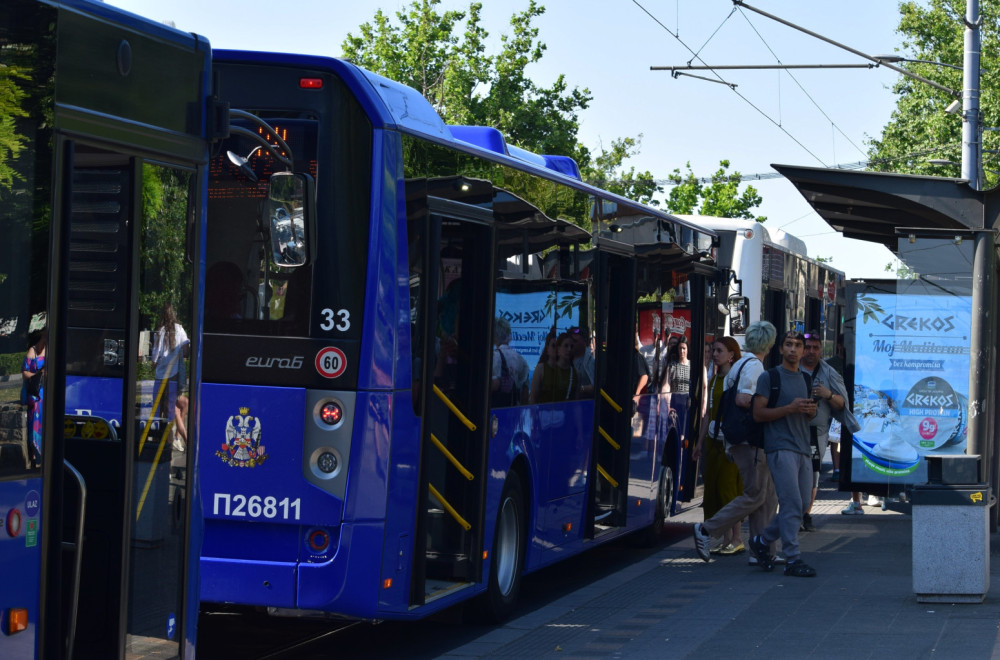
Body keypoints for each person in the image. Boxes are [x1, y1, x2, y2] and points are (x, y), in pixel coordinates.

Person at [692, 321, 780, 565]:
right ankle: (707, 530)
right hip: (748, 440)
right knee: (754, 494)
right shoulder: (753, 366)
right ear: (771, 344)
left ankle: (762, 550)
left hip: (741, 439)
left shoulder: (742, 363)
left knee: (766, 496)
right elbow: (743, 399)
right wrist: (770, 408)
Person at [748, 329, 818, 578]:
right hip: (780, 447)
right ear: (780, 349)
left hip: (802, 448)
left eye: (798, 345)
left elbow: (812, 415)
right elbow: (758, 414)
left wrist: (810, 412)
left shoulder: (807, 379)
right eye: (788, 344)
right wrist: (789, 408)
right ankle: (792, 558)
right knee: (790, 504)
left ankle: (761, 540)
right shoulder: (770, 377)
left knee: (799, 508)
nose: (793, 349)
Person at [692, 337, 744, 555]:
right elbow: (707, 417)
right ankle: (725, 539)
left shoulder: (735, 380)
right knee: (713, 489)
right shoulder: (713, 380)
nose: (714, 354)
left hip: (729, 443)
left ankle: (737, 538)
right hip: (713, 443)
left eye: (719, 351)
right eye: (713, 350)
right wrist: (700, 443)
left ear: (731, 355)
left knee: (728, 489)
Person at [800, 330, 848, 530]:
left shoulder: (829, 373)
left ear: (821, 350)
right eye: (808, 347)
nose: (811, 352)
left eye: (816, 348)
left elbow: (842, 403)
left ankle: (805, 514)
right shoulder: (789, 370)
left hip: (816, 433)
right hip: (791, 431)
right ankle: (795, 514)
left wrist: (828, 395)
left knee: (813, 475)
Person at [152, 303, 190, 451]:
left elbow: (156, 356)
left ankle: (177, 439)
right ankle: (177, 438)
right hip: (174, 375)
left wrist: (154, 364)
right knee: (175, 407)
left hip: (161, 375)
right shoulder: (179, 329)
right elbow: (186, 348)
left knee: (162, 409)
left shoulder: (160, 331)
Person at [530, 331, 580, 403]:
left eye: (571, 347)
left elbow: (576, 402)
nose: (569, 349)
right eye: (566, 346)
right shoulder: (541, 369)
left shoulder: (576, 374)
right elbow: (533, 399)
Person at [21, 326, 47, 467]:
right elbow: (25, 372)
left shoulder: (49, 351)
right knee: (35, 406)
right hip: (34, 392)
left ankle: (42, 454)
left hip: (45, 390)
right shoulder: (33, 351)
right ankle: (34, 452)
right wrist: (38, 375)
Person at [491, 317, 529, 406]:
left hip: (496, 409)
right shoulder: (520, 359)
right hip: (513, 408)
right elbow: (525, 388)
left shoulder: (494, 356)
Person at [569, 326, 595, 396]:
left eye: (575, 341)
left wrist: (581, 389)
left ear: (584, 341)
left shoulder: (590, 362)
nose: (572, 344)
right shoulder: (565, 358)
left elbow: (595, 386)